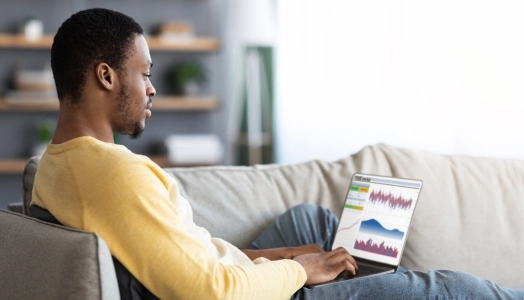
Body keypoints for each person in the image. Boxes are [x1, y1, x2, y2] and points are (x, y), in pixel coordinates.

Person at [31, 8, 524, 299]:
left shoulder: (57, 164)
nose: (153, 89)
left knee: (308, 223)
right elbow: (209, 292)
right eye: (145, 73)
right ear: (106, 76)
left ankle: (358, 275)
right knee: (451, 286)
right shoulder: (117, 175)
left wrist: (281, 256)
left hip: (230, 275)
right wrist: (299, 271)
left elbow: (189, 260)